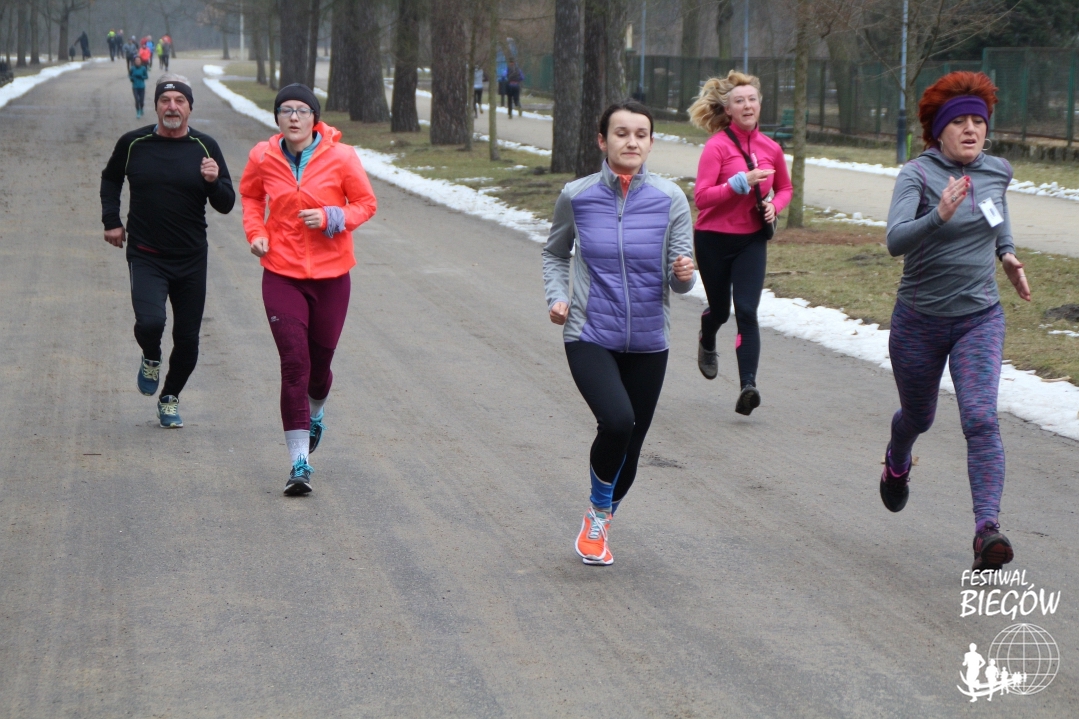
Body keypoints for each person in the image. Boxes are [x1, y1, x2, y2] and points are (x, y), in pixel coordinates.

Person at [879, 71, 1030, 571]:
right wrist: (938, 216)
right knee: (918, 417)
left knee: (981, 418)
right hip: (918, 321)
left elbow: (996, 211)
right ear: (938, 130)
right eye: (959, 121)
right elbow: (895, 240)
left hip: (978, 318)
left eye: (978, 122)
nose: (970, 130)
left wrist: (1006, 253)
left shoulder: (997, 171)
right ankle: (897, 460)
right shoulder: (917, 176)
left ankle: (987, 530)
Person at [543, 101, 696, 565]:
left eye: (641, 134)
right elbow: (555, 252)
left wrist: (684, 273)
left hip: (649, 340)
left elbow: (681, 280)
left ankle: (602, 517)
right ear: (602, 140)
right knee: (616, 421)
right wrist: (557, 296)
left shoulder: (670, 198)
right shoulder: (577, 195)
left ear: (651, 142)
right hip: (589, 332)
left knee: (632, 442)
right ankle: (596, 512)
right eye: (621, 133)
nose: (632, 142)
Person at [239, 84, 378, 496]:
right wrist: (256, 232)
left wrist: (333, 216)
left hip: (332, 277)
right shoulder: (262, 156)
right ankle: (299, 463)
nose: (294, 117)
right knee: (294, 364)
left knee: (319, 370)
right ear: (277, 118)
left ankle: (316, 412)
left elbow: (366, 203)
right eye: (286, 110)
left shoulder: (342, 157)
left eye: (302, 110)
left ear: (314, 118)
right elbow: (250, 196)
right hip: (281, 272)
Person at [100, 75, 236, 428]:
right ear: (156, 106)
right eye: (165, 100)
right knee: (150, 322)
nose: (172, 107)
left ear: (190, 108)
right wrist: (112, 220)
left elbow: (226, 203)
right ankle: (151, 356)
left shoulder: (205, 147)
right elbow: (111, 178)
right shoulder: (134, 143)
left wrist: (213, 182)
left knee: (187, 339)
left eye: (179, 101)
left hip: (191, 258)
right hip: (146, 254)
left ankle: (170, 397)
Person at [687, 71, 792, 415]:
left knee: (746, 310)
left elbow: (786, 188)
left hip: (751, 240)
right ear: (728, 109)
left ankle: (748, 386)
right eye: (739, 101)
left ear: (760, 105)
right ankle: (707, 335)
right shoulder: (716, 146)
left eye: (752, 99)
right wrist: (739, 182)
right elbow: (702, 198)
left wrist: (774, 207)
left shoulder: (771, 148)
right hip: (713, 239)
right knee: (720, 310)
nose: (747, 105)